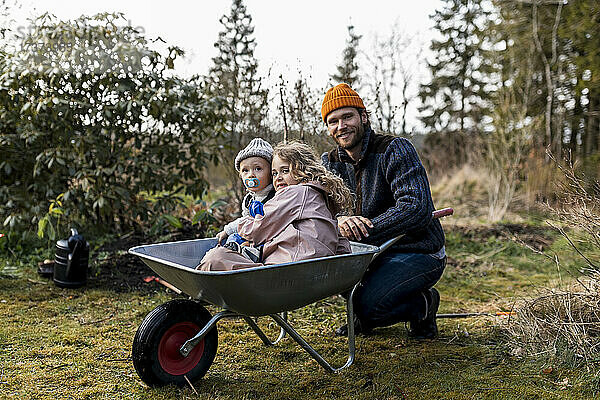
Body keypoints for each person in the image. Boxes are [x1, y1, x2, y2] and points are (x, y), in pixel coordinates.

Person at [320, 83, 446, 339]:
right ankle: (364, 309)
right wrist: (341, 220)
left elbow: (416, 208)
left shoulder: (394, 149)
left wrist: (361, 229)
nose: (341, 126)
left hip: (416, 250)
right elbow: (321, 211)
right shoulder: (329, 162)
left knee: (368, 307)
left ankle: (423, 305)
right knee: (351, 293)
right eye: (333, 121)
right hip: (367, 252)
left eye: (347, 117)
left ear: (363, 117)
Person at [197, 141, 352, 271]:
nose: (278, 178)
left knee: (215, 258)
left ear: (303, 170)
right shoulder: (319, 194)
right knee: (224, 257)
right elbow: (340, 240)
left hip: (288, 268)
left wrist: (235, 228)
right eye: (274, 174)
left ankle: (200, 289)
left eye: (285, 171)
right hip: (306, 266)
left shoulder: (296, 192)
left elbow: (258, 228)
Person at [215, 138, 277, 247]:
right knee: (233, 238)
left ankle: (250, 251)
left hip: (269, 236)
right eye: (245, 170)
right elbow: (245, 221)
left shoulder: (275, 195)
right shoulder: (248, 200)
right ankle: (237, 251)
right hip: (252, 234)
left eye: (258, 169)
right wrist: (228, 231)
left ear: (271, 173)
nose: (251, 175)